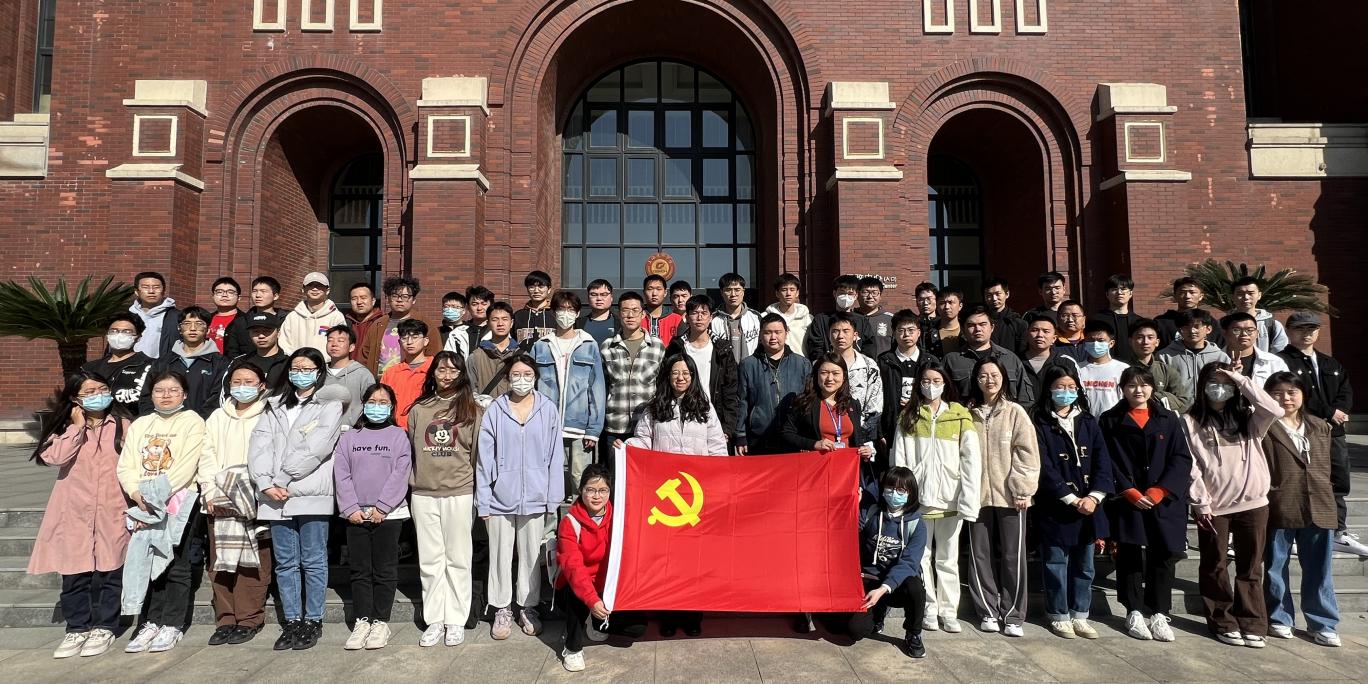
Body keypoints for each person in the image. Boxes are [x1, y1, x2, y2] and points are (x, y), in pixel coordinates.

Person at [248, 348, 350, 651]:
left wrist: (281, 479)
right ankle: (292, 620)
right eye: (295, 368)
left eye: (307, 368)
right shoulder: (274, 405)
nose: (300, 373)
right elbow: (259, 445)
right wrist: (265, 483)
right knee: (285, 563)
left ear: (319, 372)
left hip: (309, 492)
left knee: (314, 560)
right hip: (274, 496)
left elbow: (317, 447)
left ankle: (313, 619)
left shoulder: (329, 405)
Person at [29, 371, 132, 659]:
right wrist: (76, 428)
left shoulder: (124, 425)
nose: (98, 395)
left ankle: (105, 626)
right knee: (74, 573)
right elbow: (54, 458)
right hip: (74, 511)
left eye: (102, 389)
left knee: (112, 571)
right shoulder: (64, 425)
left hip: (113, 508)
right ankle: (76, 628)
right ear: (75, 398)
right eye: (89, 392)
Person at [627, 353, 728, 637]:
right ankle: (668, 614)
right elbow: (644, 441)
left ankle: (693, 614)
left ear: (693, 377)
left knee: (695, 560)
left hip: (697, 496)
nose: (680, 378)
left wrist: (716, 487)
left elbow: (717, 449)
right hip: (666, 496)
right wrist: (628, 446)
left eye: (686, 373)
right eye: (675, 373)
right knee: (667, 559)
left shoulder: (705, 408)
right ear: (667, 377)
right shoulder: (655, 408)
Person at [1185, 362, 1282, 648]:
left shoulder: (1249, 418)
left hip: (1254, 503)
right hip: (1214, 507)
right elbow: (1191, 466)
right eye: (1213, 382)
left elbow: (1275, 409)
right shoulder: (1190, 421)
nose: (1220, 388)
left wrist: (1240, 379)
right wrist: (1201, 502)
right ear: (1202, 386)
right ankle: (1222, 621)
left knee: (1250, 566)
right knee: (1214, 564)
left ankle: (1252, 622)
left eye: (1225, 383)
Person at [1099, 367, 1193, 643]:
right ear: (1122, 389)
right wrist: (1127, 490)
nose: (1138, 390)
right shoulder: (1109, 420)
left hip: (1162, 499)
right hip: (1127, 498)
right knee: (1129, 554)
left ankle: (1159, 613)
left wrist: (1160, 490)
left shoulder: (1168, 419)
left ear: (1153, 388)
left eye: (1144, 385)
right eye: (1131, 385)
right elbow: (1105, 459)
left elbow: (1181, 457)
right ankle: (1134, 611)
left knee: (1163, 554)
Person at [118, 370, 206, 654]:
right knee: (149, 561)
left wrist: (155, 495)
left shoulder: (192, 421)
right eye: (159, 390)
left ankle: (172, 624)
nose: (166, 395)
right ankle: (150, 622)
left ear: (184, 394)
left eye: (173, 390)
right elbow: (126, 465)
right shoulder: (142, 423)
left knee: (176, 564)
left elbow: (186, 467)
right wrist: (136, 494)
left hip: (178, 500)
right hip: (143, 502)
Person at [477, 354, 564, 641]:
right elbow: (484, 459)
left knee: (530, 556)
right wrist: (484, 500)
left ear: (535, 377)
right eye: (516, 374)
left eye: (528, 374)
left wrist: (553, 497)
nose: (522, 379)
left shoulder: (548, 409)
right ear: (507, 378)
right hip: (500, 497)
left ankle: (528, 607)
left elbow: (555, 456)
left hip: (536, 495)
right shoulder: (495, 411)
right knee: (500, 555)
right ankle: (501, 607)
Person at [893, 362, 980, 633]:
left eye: (936, 380)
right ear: (918, 384)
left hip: (950, 498)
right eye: (926, 380)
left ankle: (949, 611)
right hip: (918, 501)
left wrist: (969, 499)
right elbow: (899, 458)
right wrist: (903, 497)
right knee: (921, 557)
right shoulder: (909, 415)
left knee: (948, 559)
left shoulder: (960, 415)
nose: (931, 385)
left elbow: (971, 461)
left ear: (945, 383)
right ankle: (929, 609)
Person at [1030, 364, 1114, 640]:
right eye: (1059, 387)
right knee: (1055, 562)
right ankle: (1058, 614)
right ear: (1049, 389)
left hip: (1089, 506)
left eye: (1070, 387)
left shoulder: (1088, 421)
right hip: (1056, 505)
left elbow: (1102, 461)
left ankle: (1080, 613)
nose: (1065, 392)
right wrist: (1070, 498)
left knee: (1085, 564)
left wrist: (1094, 496)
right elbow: (1043, 465)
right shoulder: (1039, 422)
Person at [409, 351, 485, 647]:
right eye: (441, 369)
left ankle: (455, 619)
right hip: (424, 492)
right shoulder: (420, 409)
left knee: (458, 558)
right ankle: (435, 619)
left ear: (462, 374)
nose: (446, 375)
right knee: (430, 559)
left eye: (453, 370)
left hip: (459, 491)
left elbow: (476, 454)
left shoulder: (472, 410)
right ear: (433, 373)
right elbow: (414, 450)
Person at [1262, 371, 1341, 647]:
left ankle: (1323, 622)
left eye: (1291, 392)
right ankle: (1279, 617)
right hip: (1281, 503)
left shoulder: (1320, 426)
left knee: (1319, 568)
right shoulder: (1264, 426)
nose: (1285, 398)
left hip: (1319, 504)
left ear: (1303, 395)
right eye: (1277, 393)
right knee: (1275, 566)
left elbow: (1332, 466)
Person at [198, 362, 273, 646]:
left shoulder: (269, 414)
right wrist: (209, 491)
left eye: (249, 381)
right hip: (219, 498)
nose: (242, 386)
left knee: (253, 562)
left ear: (262, 385)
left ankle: (249, 617)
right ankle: (226, 618)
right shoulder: (218, 417)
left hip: (254, 500)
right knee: (221, 562)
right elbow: (206, 455)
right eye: (237, 381)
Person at [335, 383, 413, 651]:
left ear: (391, 407)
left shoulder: (399, 436)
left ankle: (381, 621)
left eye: (383, 402)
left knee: (384, 569)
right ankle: (362, 620)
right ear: (364, 404)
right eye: (372, 401)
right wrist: (350, 507)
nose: (377, 406)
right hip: (355, 514)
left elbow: (401, 474)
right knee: (359, 569)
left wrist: (382, 507)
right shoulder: (350, 437)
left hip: (388, 515)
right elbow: (342, 474)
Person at [964, 358, 1039, 637]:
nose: (989, 380)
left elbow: (1027, 453)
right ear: (976, 380)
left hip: (1011, 497)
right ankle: (987, 610)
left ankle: (1013, 615)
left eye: (994, 375)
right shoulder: (968, 414)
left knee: (1012, 555)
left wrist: (1023, 489)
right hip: (977, 496)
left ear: (1004, 378)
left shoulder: (1015, 412)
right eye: (983, 375)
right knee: (979, 554)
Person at [1277, 312, 1361, 555]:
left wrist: (1340, 411)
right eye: (1300, 328)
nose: (1307, 333)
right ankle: (1296, 531)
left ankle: (1339, 531)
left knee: (1338, 479)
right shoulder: (1281, 361)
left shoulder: (1329, 363)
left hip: (1333, 432)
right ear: (1289, 331)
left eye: (1312, 329)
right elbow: (1294, 396)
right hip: (1301, 430)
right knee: (1300, 480)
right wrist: (1328, 412)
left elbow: (1346, 391)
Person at [552, 463, 646, 672]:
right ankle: (572, 647)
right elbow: (573, 567)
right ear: (581, 490)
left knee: (637, 628)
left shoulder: (618, 517)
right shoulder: (570, 522)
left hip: (607, 585)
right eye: (591, 490)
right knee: (577, 596)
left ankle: (594, 622)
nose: (597, 496)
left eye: (603, 490)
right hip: (577, 585)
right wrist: (592, 600)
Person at [846, 466, 929, 659]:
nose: (894, 493)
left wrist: (883, 589)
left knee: (916, 588)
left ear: (910, 493)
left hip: (895, 585)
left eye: (901, 490)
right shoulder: (872, 513)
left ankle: (913, 633)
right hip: (870, 580)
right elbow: (851, 532)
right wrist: (855, 505)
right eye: (890, 488)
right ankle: (878, 614)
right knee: (855, 631)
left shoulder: (917, 524)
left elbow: (909, 563)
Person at [531, 290, 606, 494]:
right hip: (547, 426)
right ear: (553, 313)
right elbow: (531, 387)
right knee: (548, 480)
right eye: (561, 309)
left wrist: (593, 429)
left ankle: (579, 515)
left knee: (580, 479)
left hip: (579, 428)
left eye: (570, 309)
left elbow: (597, 389)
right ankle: (550, 517)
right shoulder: (541, 346)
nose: (566, 314)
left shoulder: (589, 345)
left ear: (578, 313)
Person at [599, 291, 666, 466]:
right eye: (625, 310)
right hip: (615, 426)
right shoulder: (607, 346)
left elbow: (662, 385)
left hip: (647, 426)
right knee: (616, 475)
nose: (630, 315)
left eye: (635, 310)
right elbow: (602, 386)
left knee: (645, 475)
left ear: (643, 314)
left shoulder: (657, 346)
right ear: (619, 313)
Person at [665, 295, 740, 448]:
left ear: (711, 317)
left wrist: (728, 428)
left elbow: (730, 391)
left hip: (713, 418)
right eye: (694, 313)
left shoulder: (722, 349)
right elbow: (665, 382)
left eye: (704, 313)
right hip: (680, 416)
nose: (699, 317)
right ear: (687, 317)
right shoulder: (676, 347)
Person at [737, 313, 811, 454]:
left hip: (794, 436)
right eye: (767, 332)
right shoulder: (748, 364)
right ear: (760, 335)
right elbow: (742, 401)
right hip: (759, 437)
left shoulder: (802, 364)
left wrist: (807, 436)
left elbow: (809, 401)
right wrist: (741, 434)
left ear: (786, 333)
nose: (773, 337)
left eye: (778, 332)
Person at [778, 354, 875, 460]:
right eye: (824, 373)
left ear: (844, 377)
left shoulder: (852, 404)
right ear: (816, 375)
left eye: (835, 373)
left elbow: (857, 439)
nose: (830, 378)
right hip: (817, 464)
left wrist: (865, 450)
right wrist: (813, 444)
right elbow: (786, 433)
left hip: (846, 466)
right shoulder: (804, 403)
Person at [143, 306, 230, 418]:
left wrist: (196, 421)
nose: (192, 328)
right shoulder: (163, 362)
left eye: (199, 323)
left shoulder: (220, 363)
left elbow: (217, 399)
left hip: (203, 423)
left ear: (208, 329)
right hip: (163, 422)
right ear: (179, 328)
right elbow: (147, 396)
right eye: (187, 323)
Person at [877, 309, 938, 470]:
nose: (906, 335)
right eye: (901, 330)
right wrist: (879, 432)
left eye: (911, 330)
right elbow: (876, 398)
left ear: (918, 332)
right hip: (892, 426)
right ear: (894, 333)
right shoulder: (883, 361)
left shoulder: (930, 361)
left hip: (924, 425)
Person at [943, 306, 1034, 405]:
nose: (978, 329)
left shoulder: (1010, 358)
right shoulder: (951, 360)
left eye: (983, 324)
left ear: (992, 327)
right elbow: (942, 398)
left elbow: (1025, 398)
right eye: (971, 325)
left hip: (1005, 414)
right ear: (963, 330)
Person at [359, 276, 441, 377]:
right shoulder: (377, 324)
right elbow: (365, 356)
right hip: (381, 381)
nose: (399, 300)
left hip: (413, 379)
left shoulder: (425, 324)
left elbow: (435, 355)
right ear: (388, 298)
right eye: (394, 296)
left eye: (405, 296)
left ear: (413, 300)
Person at [83, 313, 154, 416]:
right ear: (107, 335)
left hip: (135, 422)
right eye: (114, 331)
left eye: (127, 332)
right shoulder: (90, 368)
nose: (119, 335)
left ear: (138, 337)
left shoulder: (151, 366)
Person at [379, 318, 435, 430]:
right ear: (399, 342)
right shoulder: (391, 373)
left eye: (415, 337)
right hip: (395, 430)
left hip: (426, 430)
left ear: (425, 341)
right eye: (404, 338)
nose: (409, 342)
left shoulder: (436, 369)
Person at [1157, 309, 1230, 394]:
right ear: (1180, 330)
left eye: (1197, 326)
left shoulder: (1220, 357)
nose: (1192, 331)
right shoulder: (1165, 356)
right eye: (1186, 327)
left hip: (1210, 402)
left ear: (1208, 329)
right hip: (1176, 402)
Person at [804, 274, 875, 359]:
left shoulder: (862, 320)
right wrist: (825, 362)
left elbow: (869, 347)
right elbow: (815, 346)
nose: (846, 297)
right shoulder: (821, 320)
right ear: (835, 294)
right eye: (842, 293)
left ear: (856, 296)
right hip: (828, 365)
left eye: (850, 294)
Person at [1128, 318, 1192, 412]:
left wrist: (1157, 396)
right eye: (1140, 337)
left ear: (1157, 342)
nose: (1145, 342)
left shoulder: (1167, 371)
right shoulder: (1121, 368)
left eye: (1150, 337)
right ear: (1130, 341)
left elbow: (1184, 402)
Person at [468, 302, 522, 405]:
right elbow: (469, 391)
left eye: (505, 319)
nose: (500, 323)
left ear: (511, 323)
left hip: (514, 412)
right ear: (488, 323)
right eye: (495, 319)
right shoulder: (475, 356)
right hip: (484, 412)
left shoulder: (522, 356)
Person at [279, 272, 346, 355]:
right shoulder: (292, 317)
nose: (314, 289)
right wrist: (296, 360)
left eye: (319, 285)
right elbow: (284, 344)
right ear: (303, 289)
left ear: (327, 290)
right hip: (297, 362)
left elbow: (340, 344)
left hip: (326, 363)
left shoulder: (336, 317)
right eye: (310, 285)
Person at [1020, 312, 1077, 406]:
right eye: (1035, 330)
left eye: (1046, 331)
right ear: (1027, 335)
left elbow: (1078, 394)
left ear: (1054, 338)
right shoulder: (1015, 361)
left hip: (1055, 413)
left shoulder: (1065, 362)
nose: (1040, 335)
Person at [1075, 320, 1130, 415]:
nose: (1095, 344)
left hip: (1113, 421)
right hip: (1083, 421)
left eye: (1101, 340)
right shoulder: (1076, 368)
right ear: (1085, 343)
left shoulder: (1123, 369)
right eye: (1091, 340)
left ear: (1111, 343)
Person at [325, 324, 376, 427]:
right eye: (330, 340)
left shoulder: (362, 374)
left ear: (351, 347)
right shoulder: (319, 373)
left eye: (340, 341)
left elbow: (372, 404)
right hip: (321, 431)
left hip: (351, 431)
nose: (334, 344)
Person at [1221, 312, 1289, 386]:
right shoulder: (1216, 359)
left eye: (1249, 330)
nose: (1244, 334)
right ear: (1224, 333)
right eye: (1236, 330)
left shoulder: (1273, 362)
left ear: (1257, 333)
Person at [1156, 277, 1226, 347]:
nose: (1187, 296)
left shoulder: (1210, 322)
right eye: (1182, 292)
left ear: (1201, 296)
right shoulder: (1161, 322)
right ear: (1175, 296)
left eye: (1192, 292)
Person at [1228, 277, 1288, 354]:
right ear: (1232, 297)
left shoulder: (1272, 325)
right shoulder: (1222, 325)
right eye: (1240, 294)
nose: (1246, 297)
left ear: (1259, 295)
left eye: (1251, 293)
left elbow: (1280, 352)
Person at [710, 272, 762, 362]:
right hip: (723, 368)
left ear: (743, 292)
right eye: (728, 290)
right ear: (721, 292)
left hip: (751, 367)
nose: (733, 294)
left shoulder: (756, 317)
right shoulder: (713, 319)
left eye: (737, 290)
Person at [1089, 274, 1142, 362]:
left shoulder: (1138, 321)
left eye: (1123, 289)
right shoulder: (1097, 320)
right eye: (1114, 289)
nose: (1119, 292)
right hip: (1104, 366)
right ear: (1107, 294)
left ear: (1130, 293)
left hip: (1133, 367)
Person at [129, 271, 180, 360]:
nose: (151, 291)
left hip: (163, 366)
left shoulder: (177, 317)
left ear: (163, 291)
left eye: (156, 287)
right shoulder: (127, 316)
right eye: (145, 287)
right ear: (136, 292)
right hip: (130, 366)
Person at [766, 272, 812, 356]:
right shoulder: (765, 318)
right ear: (777, 293)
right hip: (774, 362)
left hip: (802, 362)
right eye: (784, 290)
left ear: (797, 293)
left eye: (792, 289)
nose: (788, 294)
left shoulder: (808, 319)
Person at [444, 284, 494, 358]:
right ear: (468, 307)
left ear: (490, 306)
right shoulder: (457, 333)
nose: (479, 308)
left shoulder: (497, 330)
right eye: (474, 304)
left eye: (483, 304)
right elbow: (448, 358)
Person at [207, 276, 252, 359]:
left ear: (239, 297)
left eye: (230, 292)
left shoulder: (246, 320)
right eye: (219, 292)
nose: (224, 295)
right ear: (212, 296)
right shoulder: (205, 319)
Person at [241, 311, 289, 387]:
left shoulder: (289, 362)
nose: (261, 336)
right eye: (255, 331)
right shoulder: (239, 362)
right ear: (249, 334)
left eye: (267, 331)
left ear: (278, 333)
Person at [983, 278, 1027, 354]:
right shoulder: (979, 322)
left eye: (998, 294)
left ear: (1007, 294)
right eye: (989, 295)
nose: (994, 299)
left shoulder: (1018, 323)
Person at [856, 275, 894, 358]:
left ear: (880, 296)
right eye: (865, 292)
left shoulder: (891, 319)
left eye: (874, 293)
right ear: (857, 294)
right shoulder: (850, 317)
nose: (870, 296)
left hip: (882, 364)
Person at [346, 282, 386, 361]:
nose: (359, 302)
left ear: (373, 301)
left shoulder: (382, 323)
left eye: (363, 298)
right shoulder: (346, 323)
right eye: (354, 299)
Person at [513, 270, 555, 343]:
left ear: (549, 289)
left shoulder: (556, 314)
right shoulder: (518, 316)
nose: (536, 291)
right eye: (532, 287)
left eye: (541, 287)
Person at [579, 279, 619, 346]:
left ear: (611, 297)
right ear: (588, 298)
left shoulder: (621, 324)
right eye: (594, 295)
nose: (599, 298)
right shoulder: (578, 324)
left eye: (604, 294)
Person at [641, 274, 678, 342]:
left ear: (665, 293)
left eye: (658, 289)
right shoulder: (637, 318)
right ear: (644, 292)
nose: (654, 293)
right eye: (650, 289)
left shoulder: (676, 319)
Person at [929, 287, 964, 357]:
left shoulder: (968, 331)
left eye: (951, 302)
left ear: (960, 306)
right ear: (937, 306)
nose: (947, 307)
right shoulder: (927, 333)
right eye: (942, 303)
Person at [913, 282, 939, 351]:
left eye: (929, 299)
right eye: (921, 299)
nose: (925, 303)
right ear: (916, 302)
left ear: (936, 300)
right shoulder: (913, 324)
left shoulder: (943, 323)